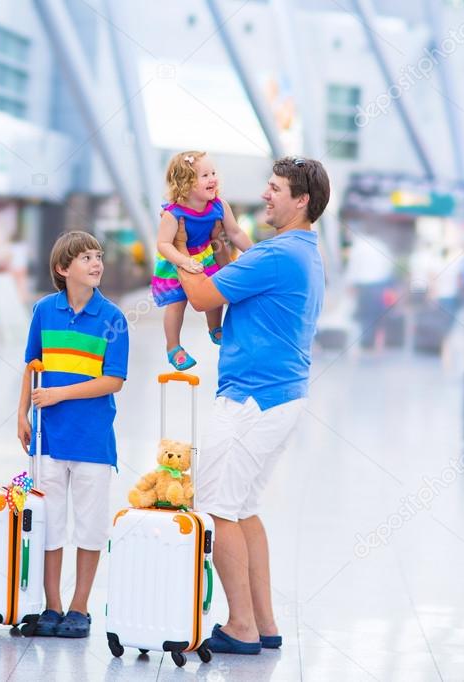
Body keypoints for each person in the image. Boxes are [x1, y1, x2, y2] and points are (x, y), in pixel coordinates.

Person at [173, 157, 329, 655]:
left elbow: (199, 297)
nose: (265, 194)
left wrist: (179, 247)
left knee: (219, 506)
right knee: (244, 509)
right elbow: (237, 289)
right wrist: (225, 249)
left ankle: (239, 626)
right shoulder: (299, 251)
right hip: (278, 396)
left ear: (301, 200)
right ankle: (263, 623)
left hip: (252, 400)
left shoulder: (278, 255)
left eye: (275, 188)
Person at [17, 230, 128, 638]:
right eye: (86, 258)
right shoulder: (45, 311)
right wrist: (22, 413)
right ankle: (52, 605)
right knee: (49, 522)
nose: (96, 262)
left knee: (91, 525)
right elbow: (32, 366)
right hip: (49, 438)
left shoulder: (113, 318)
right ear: (63, 269)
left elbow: (114, 380)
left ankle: (80, 607)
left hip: (93, 441)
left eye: (98, 255)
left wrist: (60, 393)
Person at [152, 151, 253, 370]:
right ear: (185, 184)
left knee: (213, 293)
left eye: (213, 173)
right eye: (205, 175)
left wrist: (254, 253)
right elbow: (163, 244)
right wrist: (183, 261)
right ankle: (173, 347)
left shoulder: (219, 206)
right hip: (175, 260)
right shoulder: (173, 214)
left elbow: (235, 232)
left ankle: (215, 328)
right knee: (176, 303)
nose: (213, 179)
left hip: (205, 255)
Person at [346, 231, 394, 352]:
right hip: (379, 284)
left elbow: (353, 267)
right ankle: (374, 343)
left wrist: (350, 284)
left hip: (364, 285)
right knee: (375, 314)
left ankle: (366, 343)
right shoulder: (381, 245)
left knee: (364, 315)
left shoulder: (358, 247)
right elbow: (388, 266)